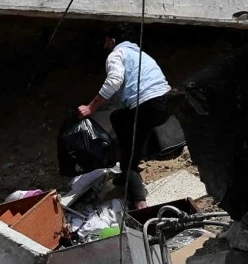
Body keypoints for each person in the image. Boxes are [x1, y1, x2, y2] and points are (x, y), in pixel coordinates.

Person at [77, 29, 185, 209]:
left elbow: (114, 80)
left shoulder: (116, 54)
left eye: (105, 42)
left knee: (127, 163)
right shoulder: (140, 54)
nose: (105, 46)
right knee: (118, 117)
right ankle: (131, 159)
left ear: (111, 40)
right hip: (165, 103)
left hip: (145, 105)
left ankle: (140, 204)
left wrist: (91, 107)